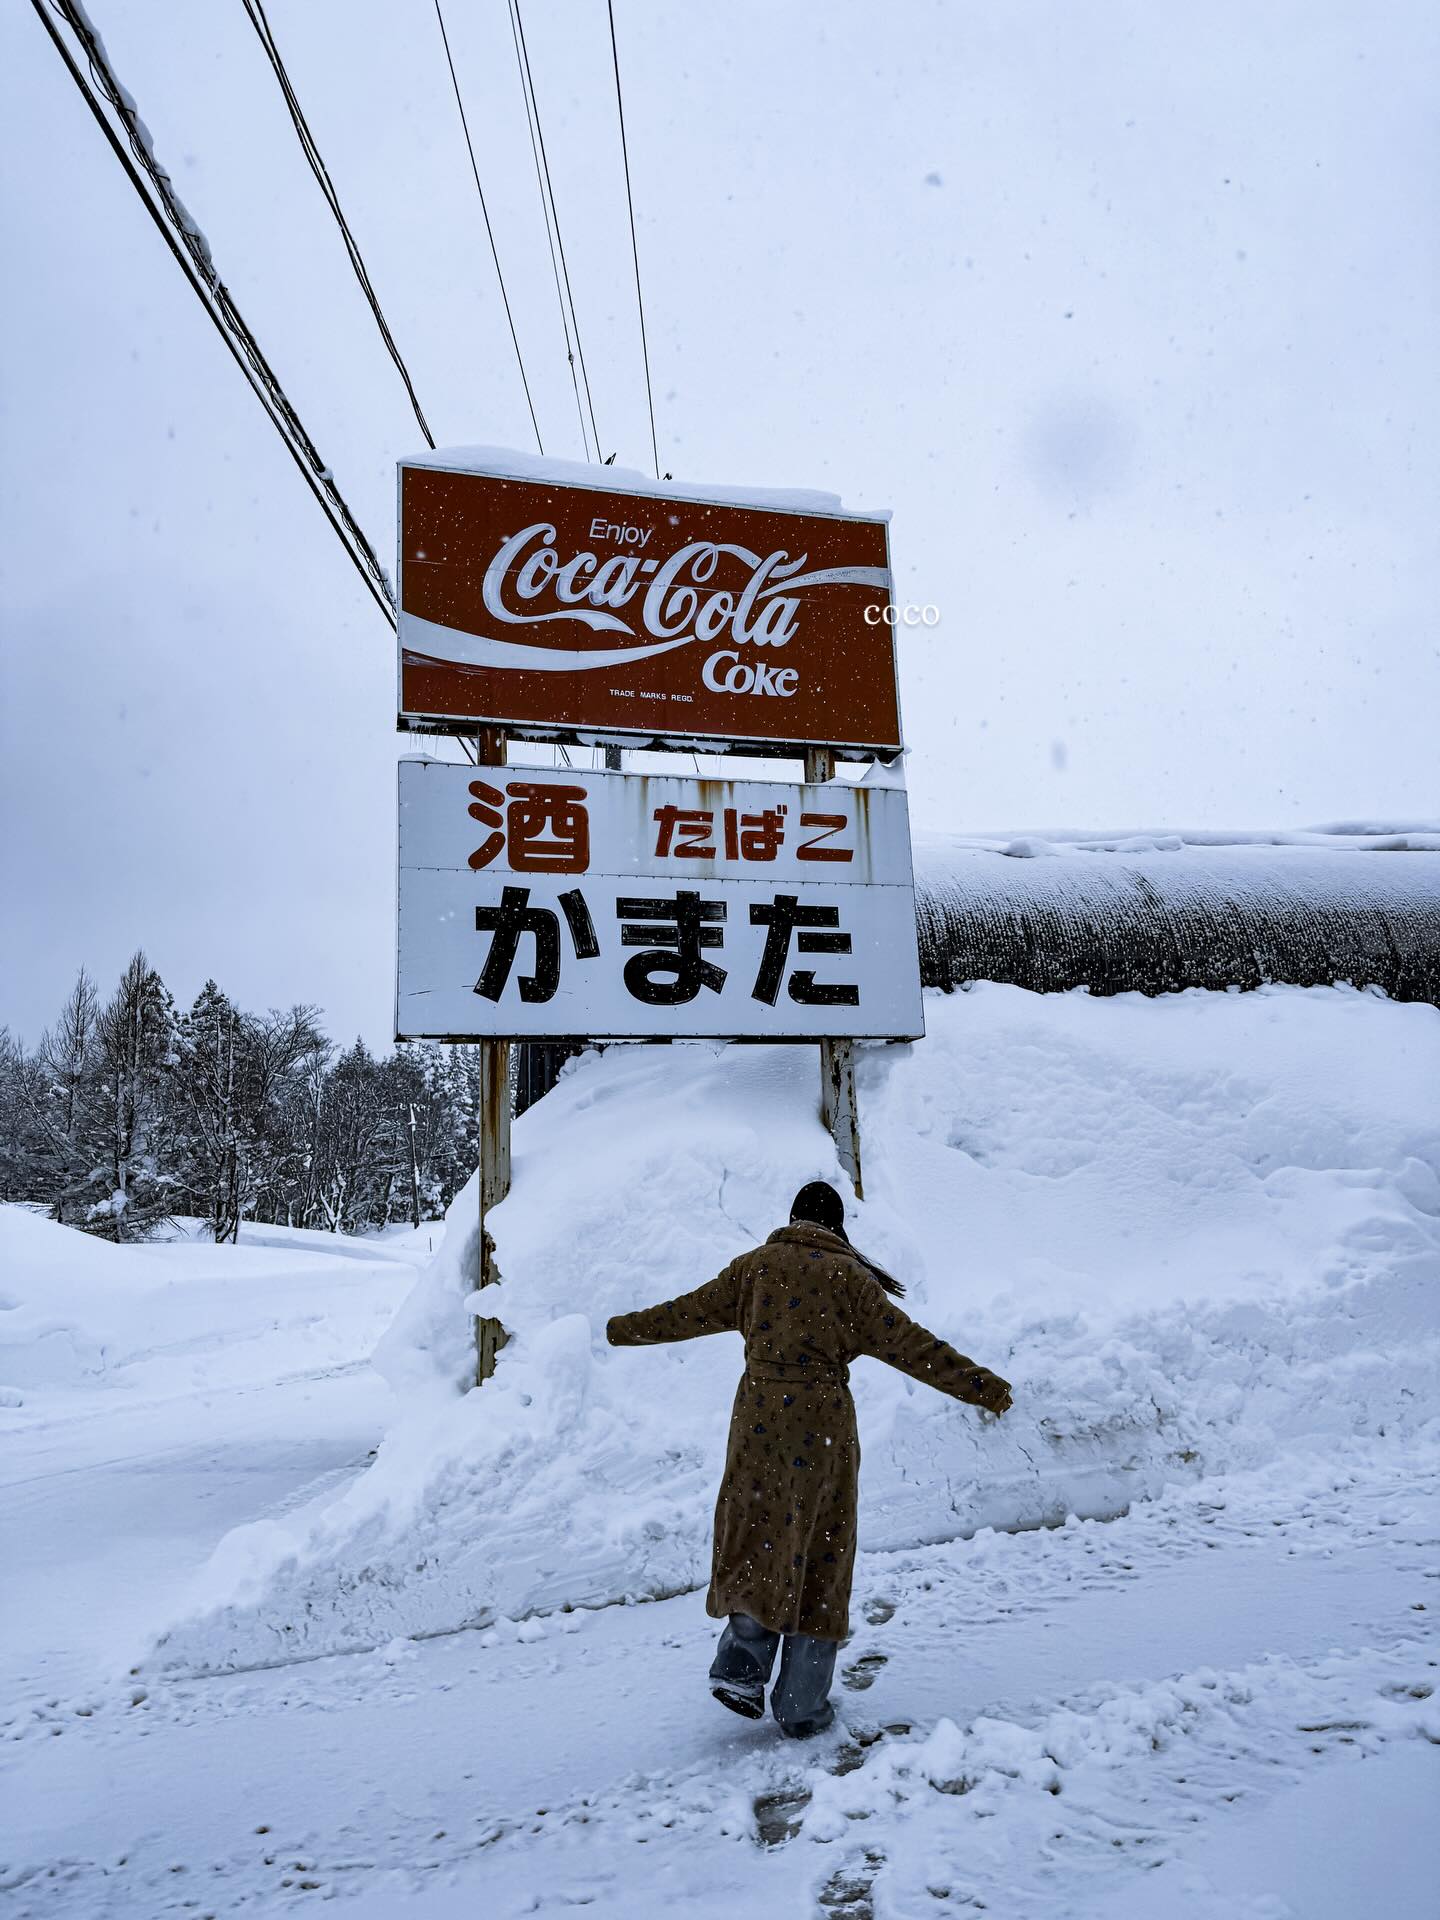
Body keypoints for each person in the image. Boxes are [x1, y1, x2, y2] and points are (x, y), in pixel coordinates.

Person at [606, 1179, 1013, 1737]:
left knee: (755, 1533)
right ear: (836, 1226)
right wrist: (984, 1387)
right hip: (821, 1429)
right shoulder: (851, 1282)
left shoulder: (752, 1268)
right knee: (822, 1550)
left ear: (794, 1217)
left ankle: (741, 1668)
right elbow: (917, 1349)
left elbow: (685, 1313)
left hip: (756, 1423)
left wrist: (621, 1330)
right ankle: (800, 1704)